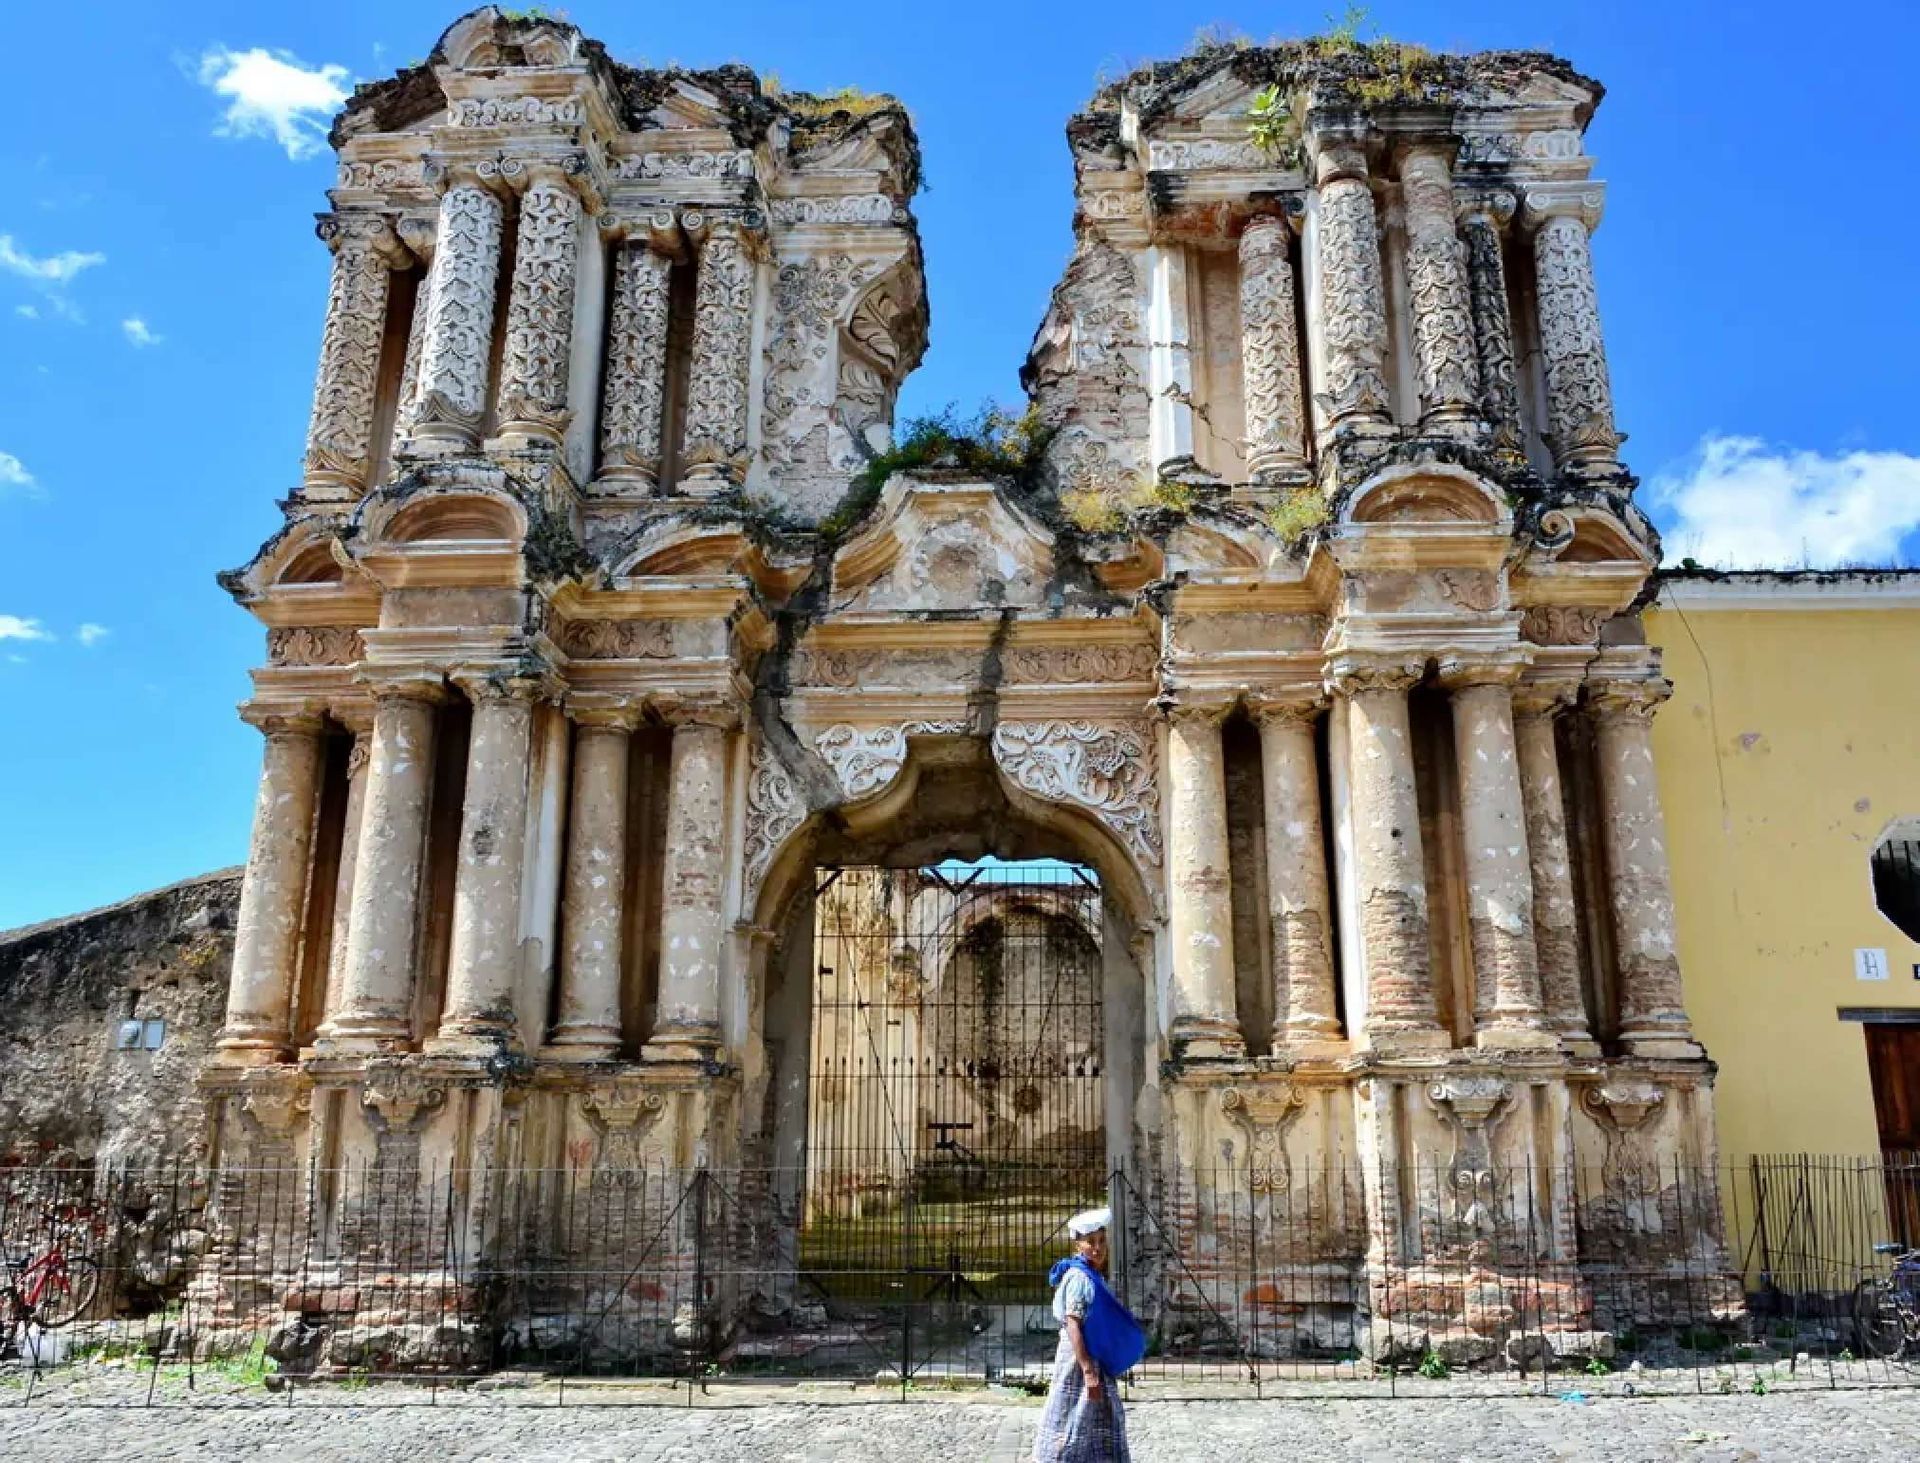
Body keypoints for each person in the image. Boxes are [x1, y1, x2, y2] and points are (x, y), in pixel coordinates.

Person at [1033, 1206, 1137, 1462]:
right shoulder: (1080, 1278)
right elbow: (1073, 1324)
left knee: (1098, 1419)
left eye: (1101, 1241)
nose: (1097, 1248)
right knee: (1071, 1419)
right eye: (1090, 1242)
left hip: (1093, 1358)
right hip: (1079, 1363)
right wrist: (1088, 1371)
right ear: (1078, 1245)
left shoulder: (1091, 1274)